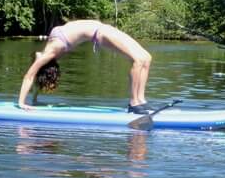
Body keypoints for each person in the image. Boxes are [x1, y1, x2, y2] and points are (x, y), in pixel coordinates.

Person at [18, 20, 153, 113]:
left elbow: (31, 75)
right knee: (138, 60)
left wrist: (31, 100)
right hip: (100, 34)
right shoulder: (50, 50)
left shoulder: (49, 53)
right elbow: (32, 75)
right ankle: (134, 103)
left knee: (146, 58)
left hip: (103, 29)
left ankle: (141, 100)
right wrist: (24, 102)